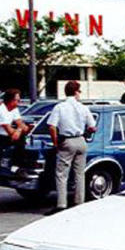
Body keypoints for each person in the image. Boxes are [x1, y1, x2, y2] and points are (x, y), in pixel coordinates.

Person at [46, 81, 97, 214]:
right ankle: (79, 202)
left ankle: (62, 204)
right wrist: (86, 133)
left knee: (62, 174)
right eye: (79, 91)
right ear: (75, 92)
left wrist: (55, 142)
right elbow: (93, 127)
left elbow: (51, 126)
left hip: (66, 141)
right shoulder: (83, 107)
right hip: (81, 140)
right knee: (80, 174)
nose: (80, 94)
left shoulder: (60, 107)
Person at [0, 88, 30, 212]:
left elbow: (22, 125)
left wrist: (21, 128)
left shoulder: (14, 109)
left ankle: (16, 165)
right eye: (17, 100)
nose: (19, 103)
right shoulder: (1, 111)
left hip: (4, 136)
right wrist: (20, 129)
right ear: (10, 101)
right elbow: (13, 134)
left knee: (22, 139)